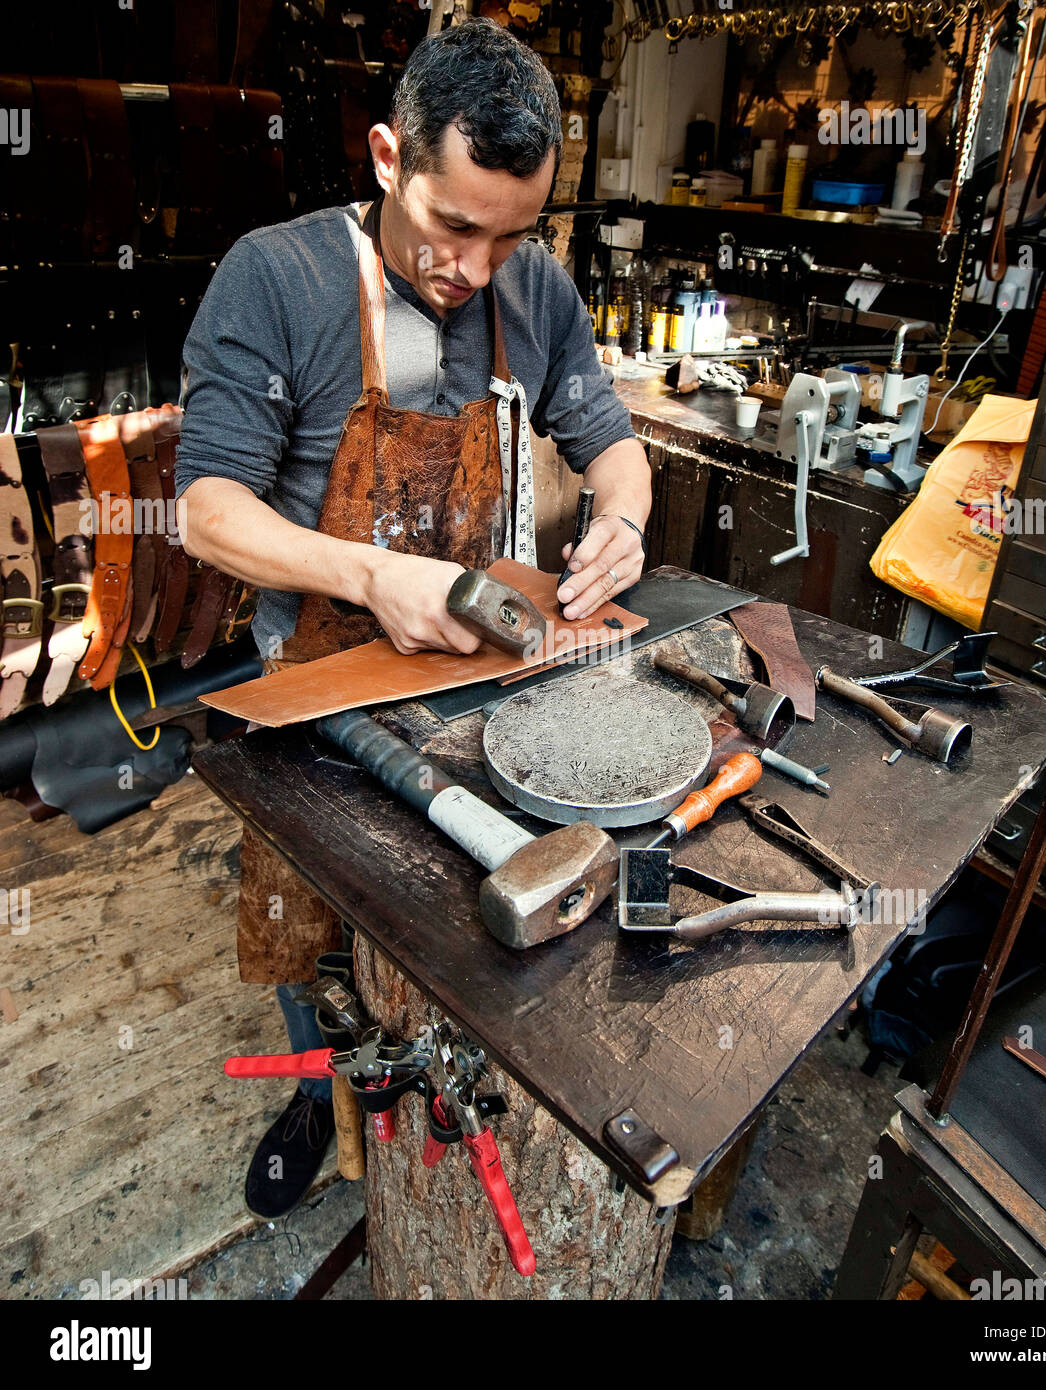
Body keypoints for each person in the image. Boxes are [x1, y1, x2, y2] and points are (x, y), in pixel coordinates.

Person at [176, 18, 651, 1218]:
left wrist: (624, 521)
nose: (478, 268)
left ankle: (446, 1111)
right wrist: (371, 576)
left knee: (466, 943)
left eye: (511, 234)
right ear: (390, 156)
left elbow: (617, 447)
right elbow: (207, 512)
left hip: (487, 677)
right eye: (453, 228)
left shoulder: (531, 287)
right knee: (314, 932)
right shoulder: (276, 276)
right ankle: (314, 1085)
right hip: (321, 690)